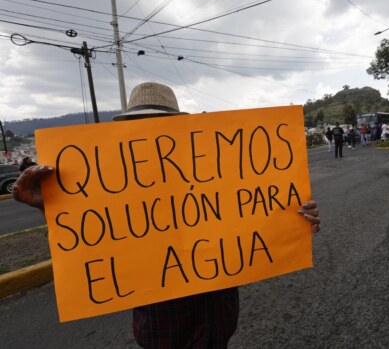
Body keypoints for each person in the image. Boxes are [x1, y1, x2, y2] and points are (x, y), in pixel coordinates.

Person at [12, 82, 322, 349]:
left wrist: (293, 219)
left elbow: (255, 218)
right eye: (142, 124)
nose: (151, 133)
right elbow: (85, 244)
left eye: (159, 124)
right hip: (164, 332)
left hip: (218, 324)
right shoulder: (117, 189)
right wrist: (48, 207)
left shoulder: (213, 176)